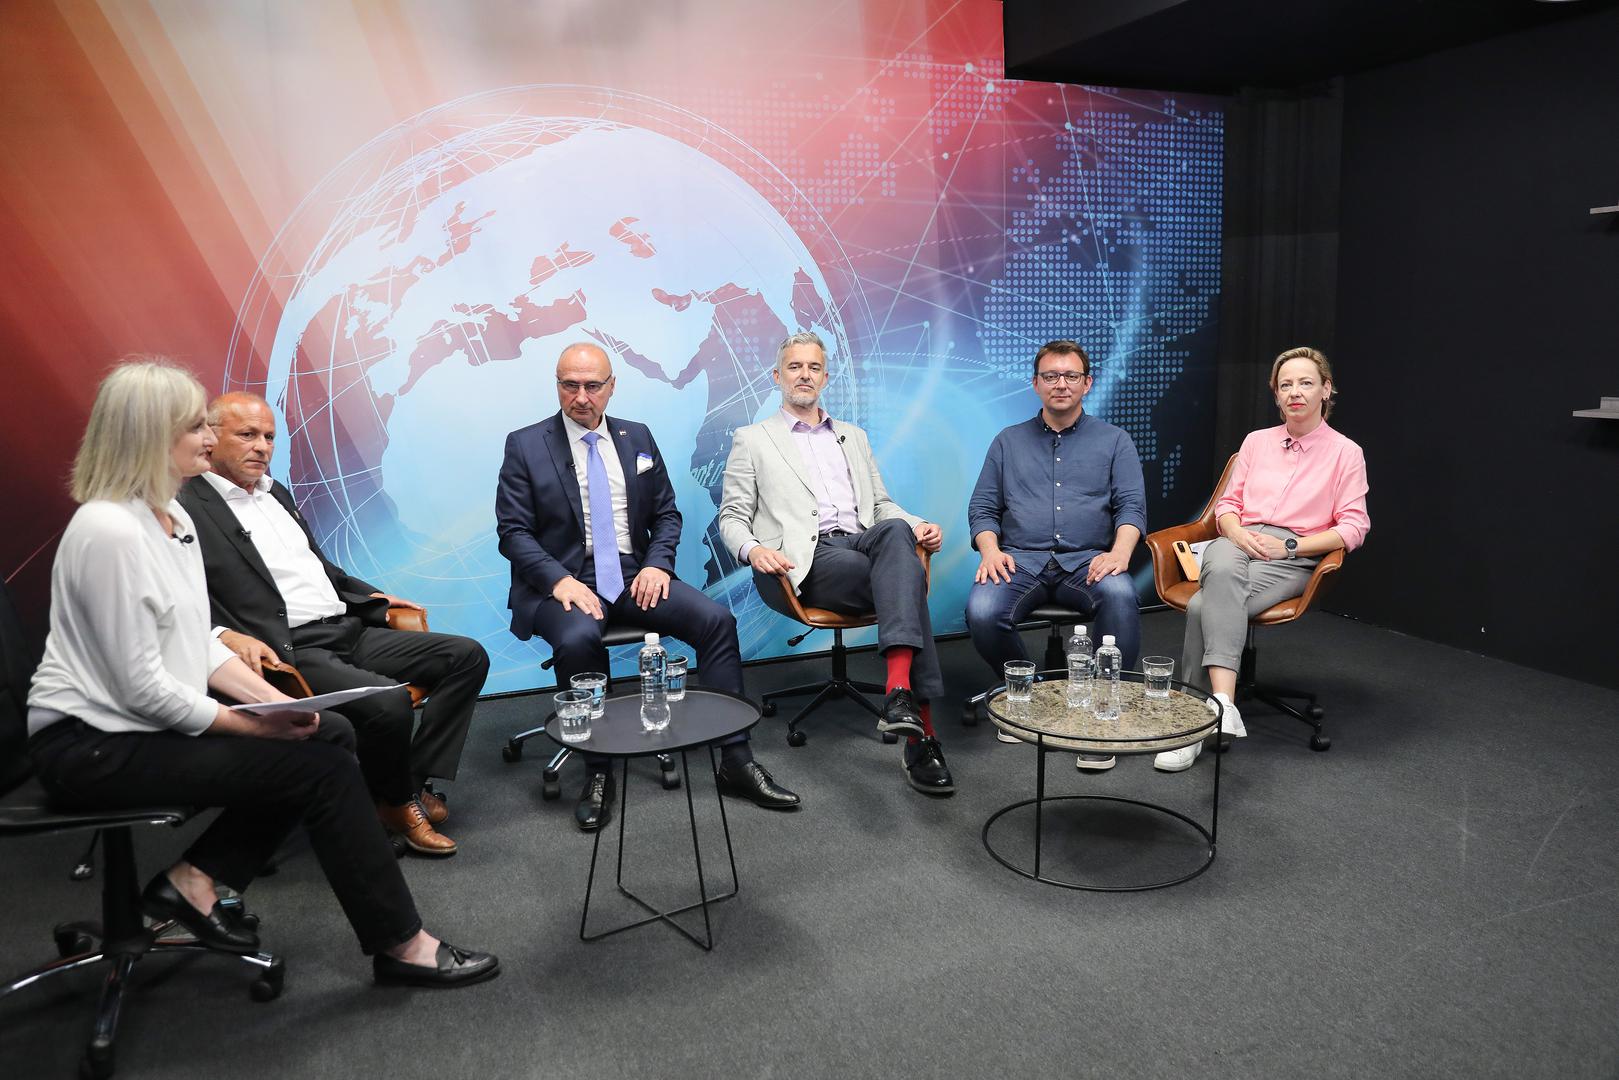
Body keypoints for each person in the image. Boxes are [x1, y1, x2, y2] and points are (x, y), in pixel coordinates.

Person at [26, 359, 497, 986]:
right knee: (320, 768)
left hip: (139, 724)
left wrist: (276, 708)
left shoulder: (172, 519)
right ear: (150, 434)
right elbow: (142, 687)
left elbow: (196, 639)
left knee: (327, 733)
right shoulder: (108, 530)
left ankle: (194, 882)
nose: (209, 437)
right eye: (196, 426)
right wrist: (251, 726)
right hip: (91, 745)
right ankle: (401, 944)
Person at [496, 342, 799, 830]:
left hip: (635, 575)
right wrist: (559, 581)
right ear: (557, 385)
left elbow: (666, 514)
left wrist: (657, 565)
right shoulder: (526, 444)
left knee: (716, 620)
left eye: (592, 385)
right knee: (578, 638)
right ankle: (597, 771)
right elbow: (513, 532)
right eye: (569, 385)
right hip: (565, 581)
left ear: (611, 386)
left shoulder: (635, 436)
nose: (581, 397)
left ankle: (736, 760)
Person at [177, 392, 488, 857]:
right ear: (211, 437)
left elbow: (320, 568)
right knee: (388, 704)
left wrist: (373, 600)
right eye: (247, 435)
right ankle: (399, 804)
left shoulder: (275, 492)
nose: (261, 447)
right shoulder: (186, 505)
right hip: (290, 647)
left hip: (344, 628)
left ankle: (404, 786)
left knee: (465, 656)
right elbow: (180, 598)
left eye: (269, 437)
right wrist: (222, 635)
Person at [718, 331, 953, 795]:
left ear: (826, 377)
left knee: (898, 533)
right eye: (794, 367)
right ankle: (921, 736)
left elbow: (881, 506)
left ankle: (899, 695)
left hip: (864, 543)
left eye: (813, 368)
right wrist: (753, 550)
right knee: (905, 579)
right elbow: (731, 517)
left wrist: (920, 524)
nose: (804, 375)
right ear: (777, 376)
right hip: (809, 559)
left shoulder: (854, 436)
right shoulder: (753, 439)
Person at [1157, 345, 1370, 772]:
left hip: (1292, 555)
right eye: (1285, 385)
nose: (1295, 392)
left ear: (1326, 389)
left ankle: (1193, 724)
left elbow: (1354, 527)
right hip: (1238, 541)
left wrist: (1289, 547)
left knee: (1201, 605)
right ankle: (1223, 704)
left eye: (1306, 383)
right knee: (1221, 551)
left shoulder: (1346, 452)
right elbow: (1227, 506)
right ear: (1276, 394)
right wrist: (1236, 532)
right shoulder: (1256, 442)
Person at [965, 340, 1147, 772]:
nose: (1060, 384)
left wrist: (1121, 552)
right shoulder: (1007, 442)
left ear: (1087, 383)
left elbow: (1132, 507)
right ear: (1036, 384)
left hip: (1088, 561)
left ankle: (1103, 714)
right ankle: (1025, 694)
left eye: (1070, 376)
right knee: (982, 609)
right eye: (1050, 376)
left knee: (1121, 596)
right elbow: (983, 508)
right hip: (1019, 560)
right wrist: (989, 549)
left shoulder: (1115, 441)